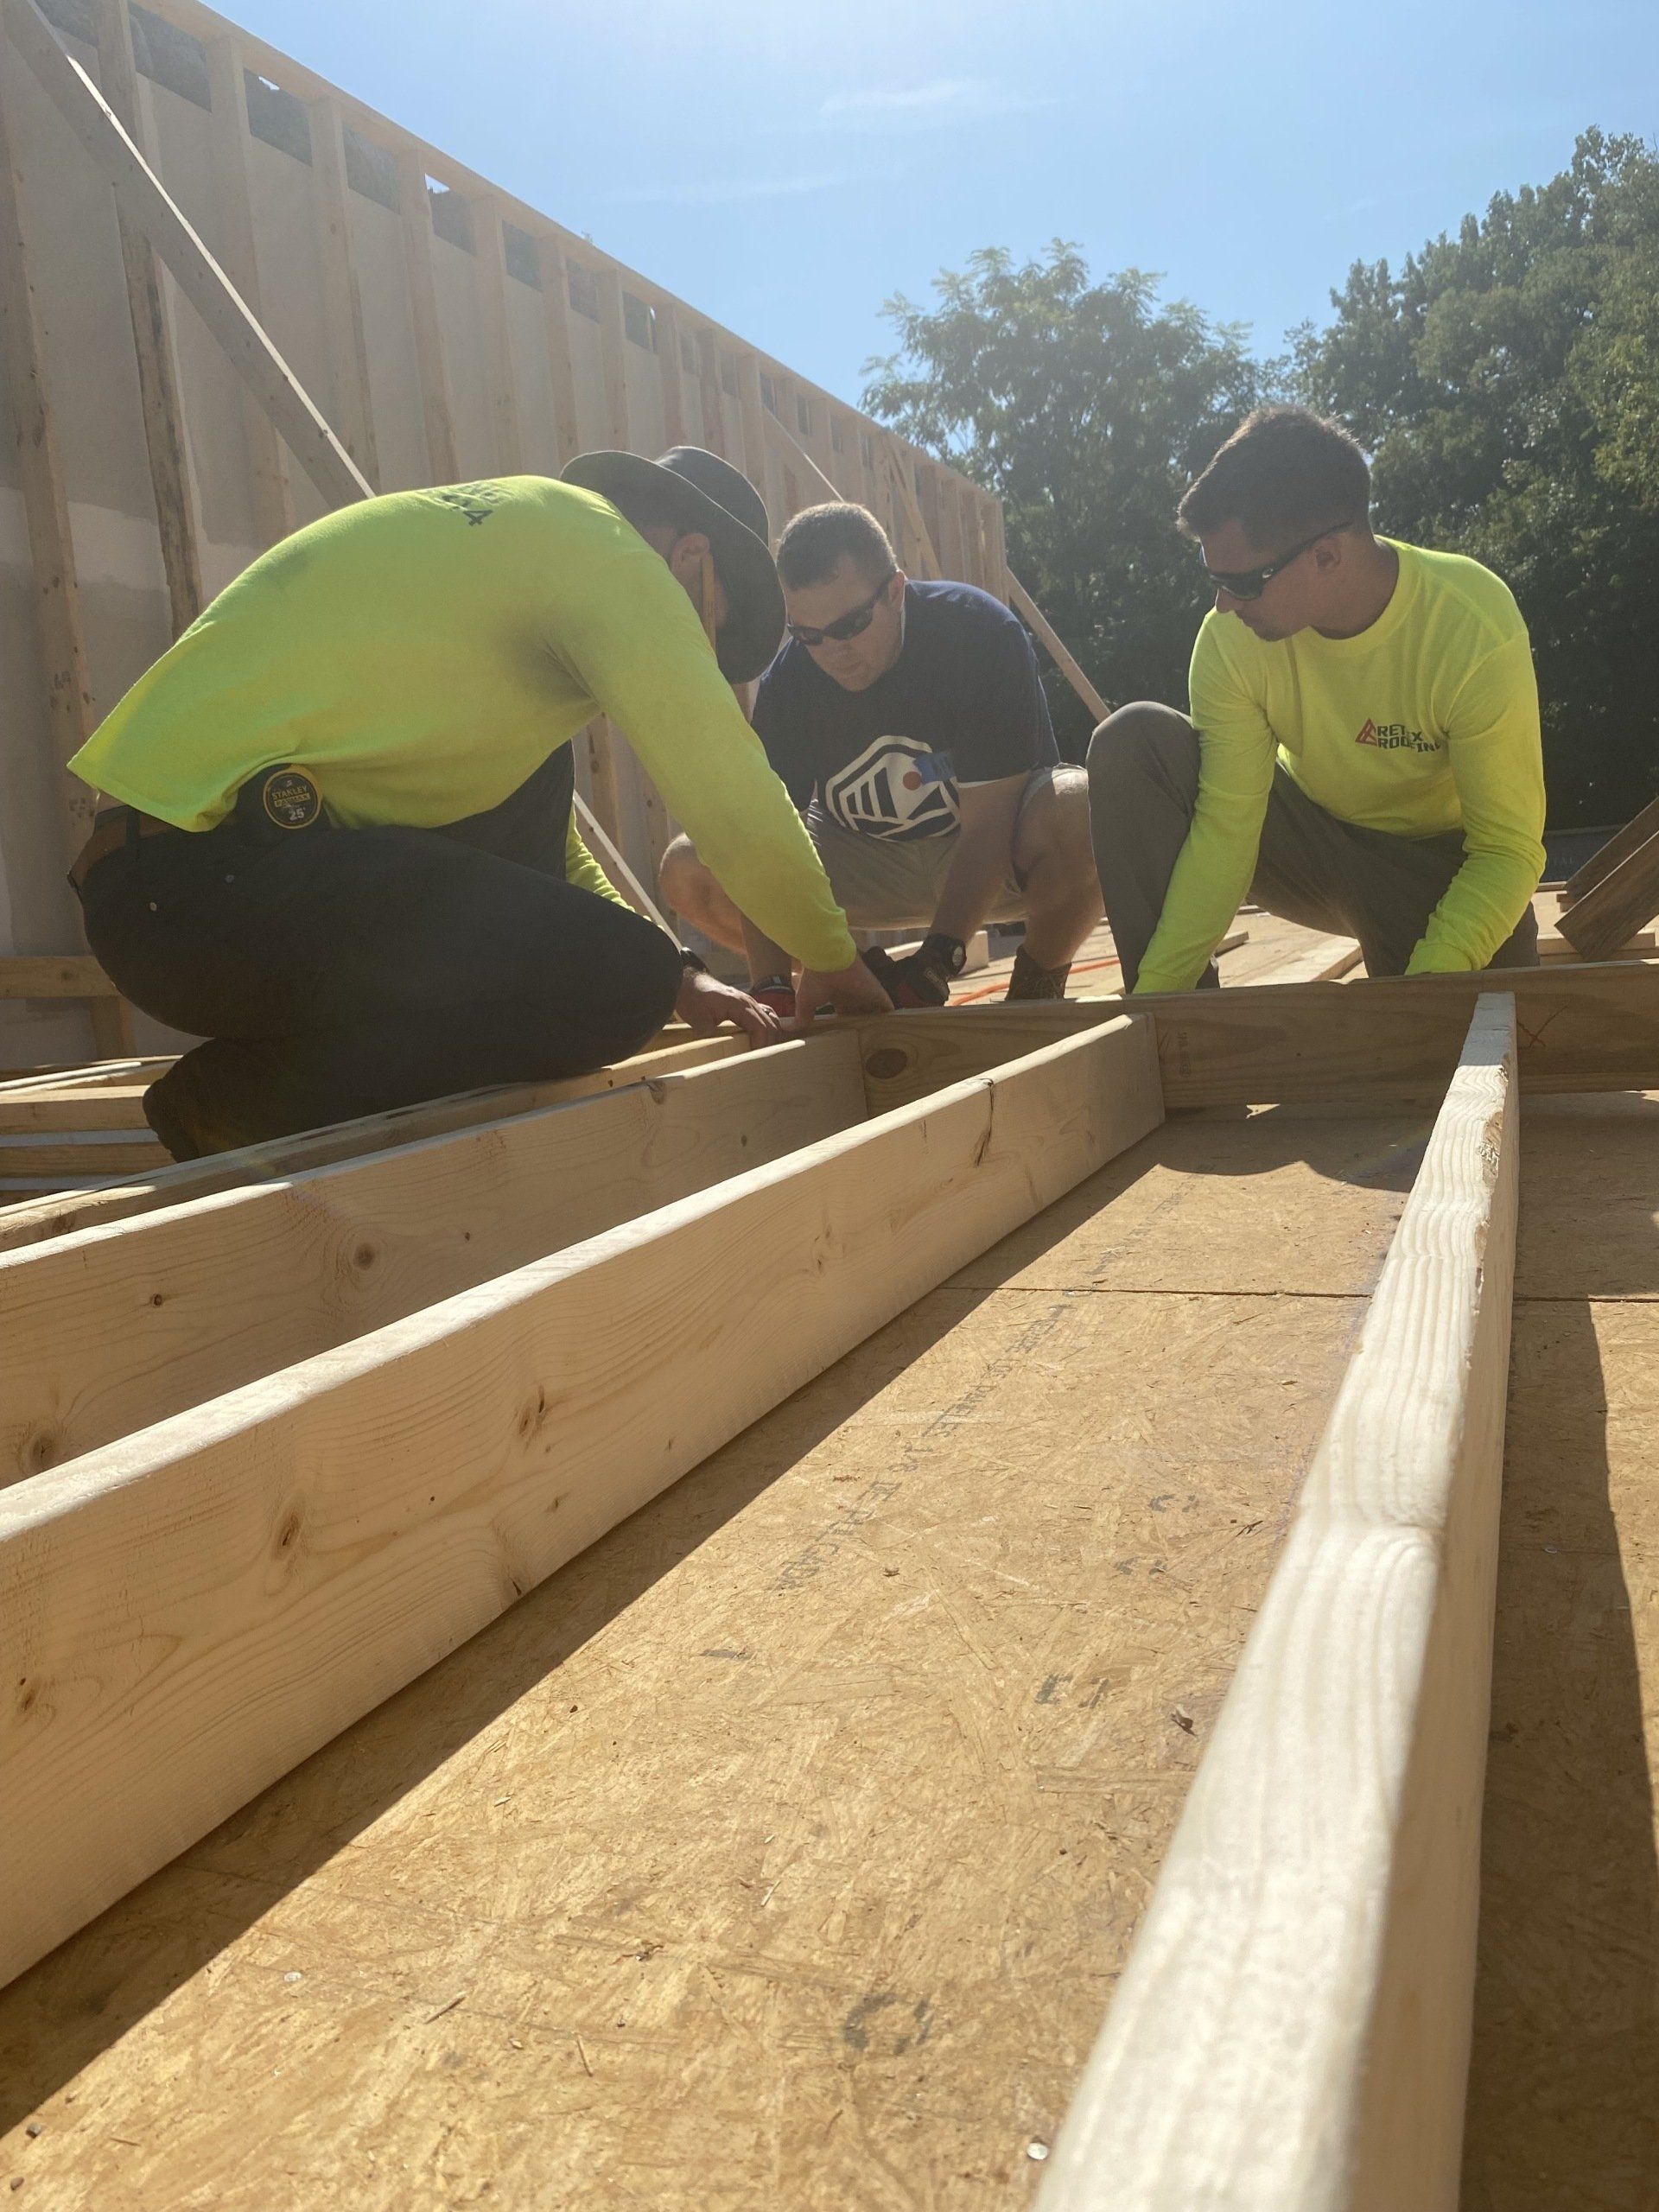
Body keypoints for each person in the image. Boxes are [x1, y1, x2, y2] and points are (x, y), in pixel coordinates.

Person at [67, 448, 890, 1158]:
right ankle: (239, 1107)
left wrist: (679, 978)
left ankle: (252, 1090)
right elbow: (731, 795)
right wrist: (842, 972)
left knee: (624, 951)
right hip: (193, 888)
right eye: (704, 627)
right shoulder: (605, 551)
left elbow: (547, 855)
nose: (694, 654)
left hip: (186, 895)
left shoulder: (517, 560)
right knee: (615, 985)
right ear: (689, 557)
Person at [1088, 407, 1547, 993]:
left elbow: (1507, 849)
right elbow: (1228, 827)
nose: (1225, 604)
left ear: (1327, 556)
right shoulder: (1232, 640)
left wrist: (1427, 985)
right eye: (1213, 577)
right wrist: (1157, 1003)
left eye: (1244, 583)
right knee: (1134, 742)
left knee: (1464, 1057)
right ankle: (1177, 1033)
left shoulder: (1470, 624)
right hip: (1313, 845)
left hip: (1438, 873)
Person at [661, 503, 1101, 1005]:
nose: (833, 652)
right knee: (691, 866)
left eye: (849, 626)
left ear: (895, 591)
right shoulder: (790, 681)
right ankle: (852, 974)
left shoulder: (977, 633)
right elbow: (764, 844)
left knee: (1083, 810)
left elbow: (988, 830)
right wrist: (773, 988)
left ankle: (1035, 989)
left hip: (985, 851)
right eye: (808, 635)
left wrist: (937, 961)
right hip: (864, 862)